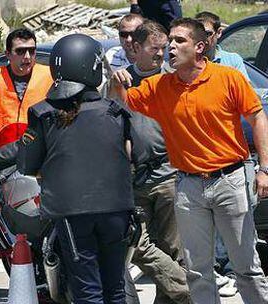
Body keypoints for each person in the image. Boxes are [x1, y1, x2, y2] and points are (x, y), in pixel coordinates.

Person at [113, 17, 268, 304]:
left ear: (199, 47)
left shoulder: (228, 78)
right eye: (169, 40)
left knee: (246, 269)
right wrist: (116, 81)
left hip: (230, 181)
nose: (170, 47)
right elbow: (123, 103)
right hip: (187, 187)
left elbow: (258, 117)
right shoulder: (161, 86)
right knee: (197, 271)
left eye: (178, 41)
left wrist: (265, 170)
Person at [17, 33, 135, 304]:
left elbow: (27, 164)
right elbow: (132, 154)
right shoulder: (115, 111)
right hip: (117, 209)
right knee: (115, 287)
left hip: (72, 213)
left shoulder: (43, 114)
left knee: (87, 290)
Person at [120, 20, 191, 304]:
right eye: (155, 49)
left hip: (169, 176)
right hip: (133, 180)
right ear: (136, 48)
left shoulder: (173, 81)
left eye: (164, 49)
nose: (162, 54)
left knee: (173, 249)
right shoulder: (119, 83)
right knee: (136, 244)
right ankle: (190, 291)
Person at [196, 10, 256, 297]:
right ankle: (219, 268)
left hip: (233, 155)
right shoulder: (186, 66)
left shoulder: (232, 63)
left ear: (217, 34)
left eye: (206, 33)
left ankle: (235, 268)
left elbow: (246, 105)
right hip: (198, 158)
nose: (202, 39)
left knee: (240, 216)